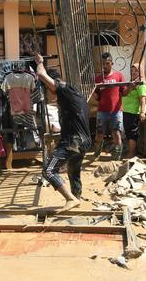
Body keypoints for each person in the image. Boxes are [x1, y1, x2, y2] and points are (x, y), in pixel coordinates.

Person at [34, 53, 92, 211]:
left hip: (73, 141)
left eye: (47, 87)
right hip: (84, 141)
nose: (48, 91)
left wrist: (40, 62)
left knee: (48, 169)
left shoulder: (63, 89)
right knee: (74, 171)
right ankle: (76, 199)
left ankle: (70, 199)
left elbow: (41, 73)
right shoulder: (75, 94)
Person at [93, 52, 126, 161]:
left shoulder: (119, 76)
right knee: (99, 134)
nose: (105, 65)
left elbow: (124, 92)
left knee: (116, 133)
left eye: (107, 63)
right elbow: (97, 97)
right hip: (102, 111)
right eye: (103, 63)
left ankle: (117, 157)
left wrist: (131, 87)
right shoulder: (98, 79)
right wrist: (93, 94)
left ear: (112, 63)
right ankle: (97, 152)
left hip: (116, 111)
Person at [122, 64, 146, 158]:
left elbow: (143, 99)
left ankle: (131, 153)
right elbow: (124, 94)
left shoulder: (142, 84)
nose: (133, 73)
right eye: (132, 71)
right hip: (126, 111)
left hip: (133, 112)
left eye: (136, 71)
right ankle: (130, 152)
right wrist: (130, 87)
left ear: (140, 72)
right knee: (128, 133)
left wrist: (142, 112)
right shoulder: (132, 83)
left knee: (132, 134)